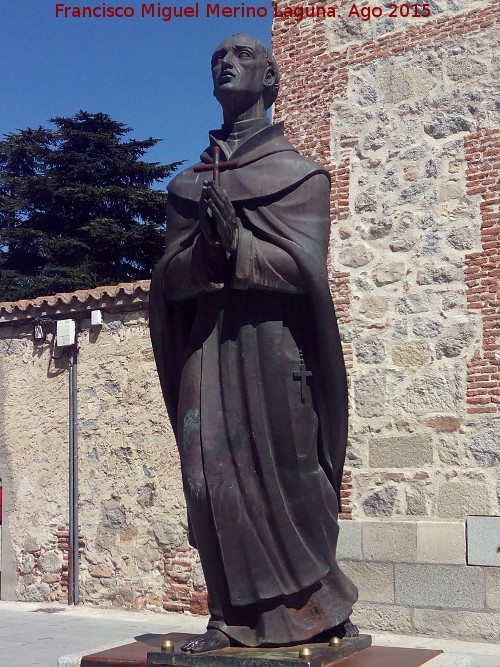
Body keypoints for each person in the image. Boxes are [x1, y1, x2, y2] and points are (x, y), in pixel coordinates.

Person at [149, 33, 357, 654]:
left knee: (290, 479)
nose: (225, 62)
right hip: (207, 352)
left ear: (270, 80)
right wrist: (207, 251)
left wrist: (238, 246)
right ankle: (229, 616)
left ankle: (317, 610)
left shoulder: (302, 177)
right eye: (216, 57)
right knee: (206, 476)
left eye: (241, 55)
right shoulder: (189, 187)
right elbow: (167, 281)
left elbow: (306, 270)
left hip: (274, 353)